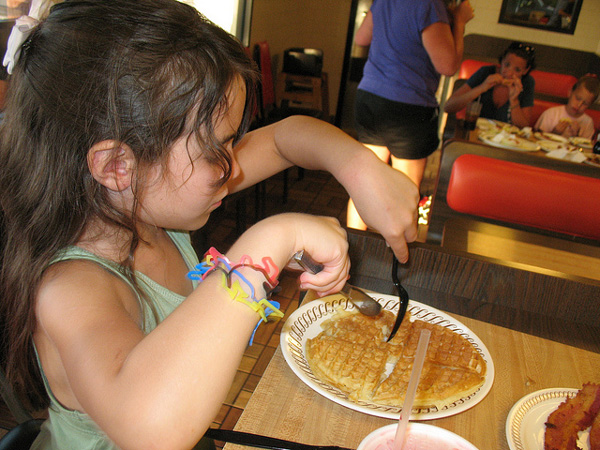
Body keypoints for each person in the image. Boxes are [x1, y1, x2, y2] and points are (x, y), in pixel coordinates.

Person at [0, 1, 420, 449]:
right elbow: (151, 428)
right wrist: (266, 244)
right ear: (117, 165)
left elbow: (283, 138)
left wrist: (360, 168)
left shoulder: (152, 209)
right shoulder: (70, 288)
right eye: (217, 148)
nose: (233, 165)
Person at [347, 0, 474, 231]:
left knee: (365, 182)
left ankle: (353, 253)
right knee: (405, 193)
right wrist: (460, 23)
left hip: (369, 99)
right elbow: (447, 66)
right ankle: (398, 262)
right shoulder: (431, 5)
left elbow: (361, 39)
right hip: (407, 107)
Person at [444, 41, 537, 129]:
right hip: (475, 132)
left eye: (517, 70)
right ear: (502, 60)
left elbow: (523, 127)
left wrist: (514, 100)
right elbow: (448, 107)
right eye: (507, 65)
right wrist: (482, 87)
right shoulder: (486, 72)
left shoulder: (527, 83)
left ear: (526, 70)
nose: (509, 73)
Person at [534, 74, 600, 140]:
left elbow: (586, 147)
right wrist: (554, 133)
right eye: (577, 98)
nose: (579, 105)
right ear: (570, 92)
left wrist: (576, 137)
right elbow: (536, 138)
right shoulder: (551, 114)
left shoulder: (587, 123)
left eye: (585, 103)